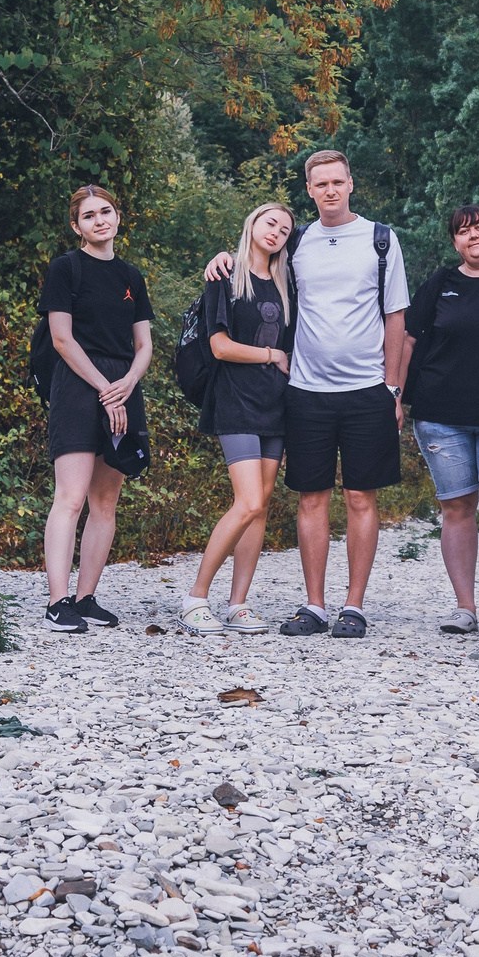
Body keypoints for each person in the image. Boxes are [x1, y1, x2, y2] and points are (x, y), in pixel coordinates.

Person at [204, 150, 410, 638]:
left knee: (361, 497)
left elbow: (396, 316)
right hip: (305, 389)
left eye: (338, 182)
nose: (330, 191)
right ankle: (314, 605)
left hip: (366, 389)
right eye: (320, 184)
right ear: (310, 190)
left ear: (351, 184)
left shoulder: (381, 239)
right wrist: (223, 257)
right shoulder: (296, 242)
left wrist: (394, 387)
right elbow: (254, 257)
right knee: (311, 498)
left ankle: (353, 607)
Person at [38, 185, 154, 633]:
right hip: (78, 385)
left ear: (118, 216)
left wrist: (127, 383)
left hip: (123, 388)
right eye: (89, 216)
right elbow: (62, 339)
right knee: (69, 498)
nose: (99, 220)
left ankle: (86, 597)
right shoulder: (65, 269)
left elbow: (143, 344)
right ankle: (57, 601)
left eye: (106, 212)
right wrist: (106, 387)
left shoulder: (131, 275)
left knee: (105, 501)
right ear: (76, 226)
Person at [177, 202, 296, 636]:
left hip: (276, 405)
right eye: (270, 223)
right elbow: (220, 347)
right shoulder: (225, 276)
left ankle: (238, 604)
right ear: (252, 224)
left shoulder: (287, 283)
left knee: (260, 508)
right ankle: (195, 598)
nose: (276, 232)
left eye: (284, 229)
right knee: (246, 501)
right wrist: (272, 354)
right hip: (236, 401)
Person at [405, 204, 479, 635]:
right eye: (463, 232)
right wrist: (395, 393)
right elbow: (409, 337)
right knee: (457, 506)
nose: (473, 237)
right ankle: (465, 608)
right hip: (441, 414)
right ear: (455, 241)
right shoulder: (441, 282)